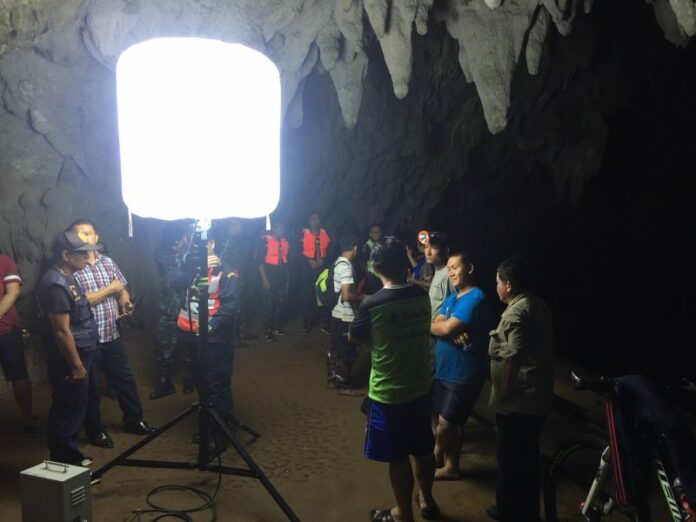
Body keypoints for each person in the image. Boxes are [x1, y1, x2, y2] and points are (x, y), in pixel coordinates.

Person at [349, 237, 439, 522]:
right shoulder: (420, 296)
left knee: (397, 456)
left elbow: (355, 337)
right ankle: (427, 500)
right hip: (421, 387)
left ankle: (403, 514)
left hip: (389, 394)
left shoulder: (373, 304)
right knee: (424, 450)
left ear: (376, 268)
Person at [70, 220, 156, 445]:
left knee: (125, 379)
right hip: (87, 338)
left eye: (88, 233)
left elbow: (122, 289)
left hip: (110, 333)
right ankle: (95, 431)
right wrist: (111, 289)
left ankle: (134, 420)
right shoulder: (73, 267)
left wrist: (125, 301)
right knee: (90, 388)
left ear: (96, 238)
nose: (85, 238)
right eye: (79, 234)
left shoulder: (107, 262)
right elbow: (81, 301)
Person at [486, 256, 553, 522]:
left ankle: (508, 511)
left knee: (510, 460)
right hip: (538, 399)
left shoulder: (516, 312)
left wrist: (503, 395)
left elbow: (512, 357)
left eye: (498, 282)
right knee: (527, 459)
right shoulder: (540, 305)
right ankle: (527, 513)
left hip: (519, 403)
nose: (497, 287)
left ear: (509, 285)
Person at [37, 230, 102, 466]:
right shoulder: (56, 285)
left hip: (81, 352)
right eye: (82, 254)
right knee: (68, 409)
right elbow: (61, 331)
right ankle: (66, 464)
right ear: (65, 255)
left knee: (73, 406)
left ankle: (70, 457)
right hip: (68, 360)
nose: (88, 257)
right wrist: (76, 366)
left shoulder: (68, 277)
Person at [177, 234, 239, 458]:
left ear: (213, 243)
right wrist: (196, 269)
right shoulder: (190, 268)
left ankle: (219, 434)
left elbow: (230, 305)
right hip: (190, 334)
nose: (200, 249)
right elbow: (174, 282)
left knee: (216, 384)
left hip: (214, 339)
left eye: (204, 244)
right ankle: (207, 429)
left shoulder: (227, 271)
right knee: (201, 382)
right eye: (196, 245)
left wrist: (211, 326)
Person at [430, 252, 490, 480]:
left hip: (463, 374)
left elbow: (441, 328)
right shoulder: (454, 298)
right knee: (450, 423)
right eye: (449, 268)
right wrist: (449, 329)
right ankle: (451, 467)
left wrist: (446, 328)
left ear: (470, 268)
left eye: (456, 267)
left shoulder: (474, 299)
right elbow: (434, 322)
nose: (452, 272)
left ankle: (435, 455)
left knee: (446, 424)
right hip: (445, 370)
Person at [151, 222, 193, 399]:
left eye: (177, 243)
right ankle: (164, 382)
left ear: (184, 238)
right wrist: (188, 263)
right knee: (162, 343)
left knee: (190, 345)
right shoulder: (163, 251)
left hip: (190, 308)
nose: (173, 247)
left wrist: (189, 253)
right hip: (169, 307)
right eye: (171, 244)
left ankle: (190, 378)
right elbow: (174, 279)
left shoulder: (194, 251)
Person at [0, 253, 39, 436]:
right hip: (7, 329)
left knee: (18, 374)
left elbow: (13, 291)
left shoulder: (4, 260)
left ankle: (27, 418)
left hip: (7, 329)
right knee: (18, 375)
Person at [328, 235, 364, 387]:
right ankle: (344, 384)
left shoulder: (337, 262)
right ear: (354, 248)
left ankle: (335, 379)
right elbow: (347, 295)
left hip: (337, 312)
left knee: (337, 347)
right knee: (347, 350)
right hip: (345, 315)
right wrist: (363, 297)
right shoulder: (346, 266)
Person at [258, 219, 289, 342]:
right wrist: (264, 279)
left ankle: (276, 327)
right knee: (268, 306)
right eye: (281, 228)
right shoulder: (264, 242)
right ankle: (267, 331)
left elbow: (286, 262)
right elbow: (259, 263)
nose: (283, 230)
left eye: (283, 228)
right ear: (274, 229)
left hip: (281, 278)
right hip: (269, 278)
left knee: (280, 303)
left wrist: (287, 279)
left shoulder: (284, 243)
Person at [300, 211, 331, 333]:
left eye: (317, 219)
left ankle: (325, 323)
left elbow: (331, 251)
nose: (315, 222)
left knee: (324, 294)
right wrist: (308, 260)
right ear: (309, 221)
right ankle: (306, 323)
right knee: (307, 296)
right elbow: (295, 253)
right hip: (307, 269)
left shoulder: (325, 234)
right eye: (313, 219)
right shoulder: (302, 235)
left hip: (322, 269)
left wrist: (323, 261)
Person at [425, 232, 452, 319]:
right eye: (426, 247)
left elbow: (452, 310)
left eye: (434, 248)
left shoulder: (448, 275)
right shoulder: (438, 272)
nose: (428, 252)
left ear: (446, 250)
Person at [361, 224, 384, 295]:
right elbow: (362, 261)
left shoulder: (381, 244)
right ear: (370, 234)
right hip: (372, 276)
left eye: (378, 232)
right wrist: (366, 275)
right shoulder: (367, 245)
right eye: (375, 232)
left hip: (381, 275)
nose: (377, 234)